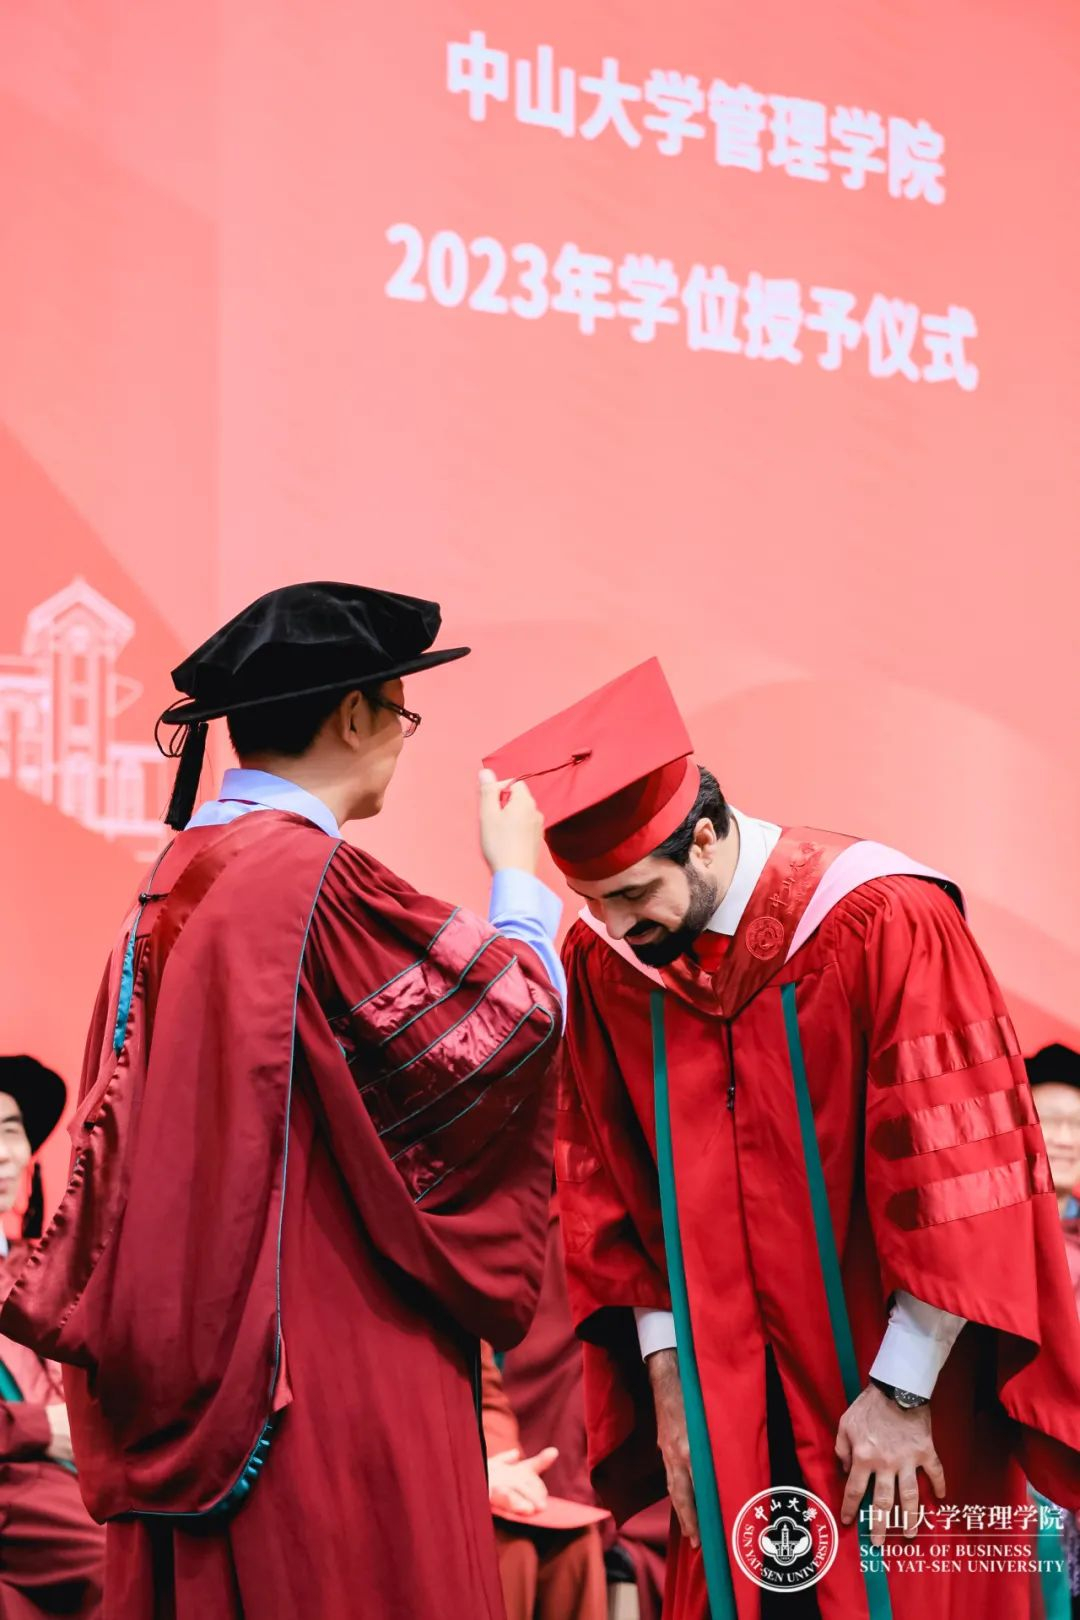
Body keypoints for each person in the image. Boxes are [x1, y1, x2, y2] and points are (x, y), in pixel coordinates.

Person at [0, 582, 564, 1620]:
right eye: (400, 713)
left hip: (197, 1352)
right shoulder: (313, 883)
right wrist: (517, 882)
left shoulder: (172, 881)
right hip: (318, 1351)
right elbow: (507, 1033)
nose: (400, 740)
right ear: (353, 715)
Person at [486, 658, 1080, 1620]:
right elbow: (611, 1188)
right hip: (725, 1396)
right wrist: (668, 1383)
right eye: (592, 902)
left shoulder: (884, 920)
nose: (616, 927)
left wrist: (902, 1394)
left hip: (894, 1390)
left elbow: (965, 1177)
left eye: (633, 894)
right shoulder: (608, 964)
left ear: (705, 836)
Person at [0, 1056, 104, 1618]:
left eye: (10, 1131)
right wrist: (42, 1429)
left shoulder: (49, 1266)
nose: (0, 1152)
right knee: (123, 1567)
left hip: (89, 1475)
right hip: (18, 1482)